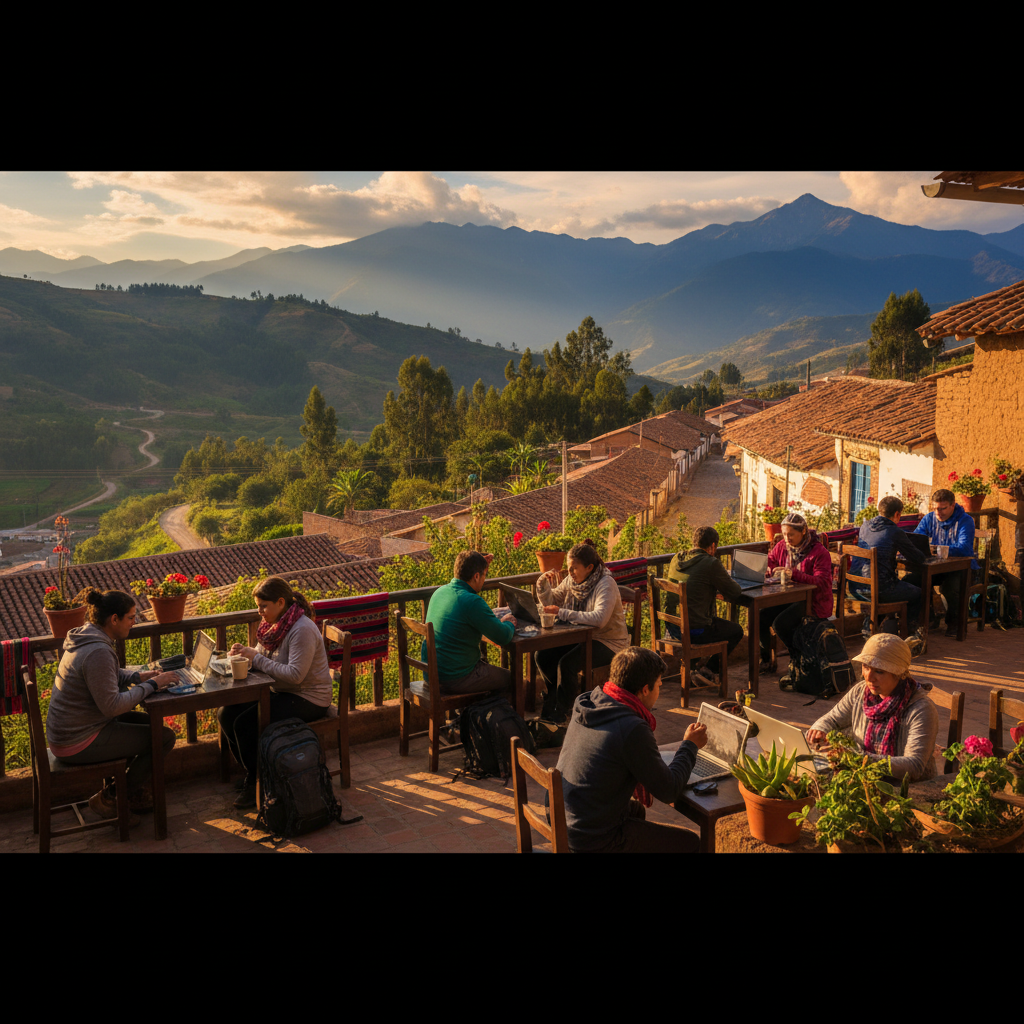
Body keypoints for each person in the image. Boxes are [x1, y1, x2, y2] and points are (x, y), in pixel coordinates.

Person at [555, 646, 706, 852]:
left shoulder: (589, 702)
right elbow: (669, 790)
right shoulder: (631, 727)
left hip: (563, 816)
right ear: (645, 689)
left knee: (635, 811)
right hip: (590, 838)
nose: (659, 691)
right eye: (659, 685)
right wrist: (689, 745)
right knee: (691, 843)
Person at [45, 589, 178, 819]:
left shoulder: (87, 638)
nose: (134, 623)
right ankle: (113, 796)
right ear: (114, 619)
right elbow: (113, 706)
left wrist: (138, 677)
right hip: (77, 741)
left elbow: (107, 675)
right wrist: (153, 684)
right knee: (163, 737)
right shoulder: (97, 651)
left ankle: (128, 793)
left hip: (74, 730)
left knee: (154, 726)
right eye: (131, 618)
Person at [225, 575, 334, 809]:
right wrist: (244, 652)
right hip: (284, 691)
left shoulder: (301, 629)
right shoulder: (273, 625)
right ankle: (254, 772)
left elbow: (295, 675)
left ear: (281, 602)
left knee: (245, 723)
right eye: (258, 606)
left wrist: (255, 658)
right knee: (227, 713)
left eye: (263, 606)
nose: (259, 612)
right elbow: (262, 654)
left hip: (309, 697)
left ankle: (258, 782)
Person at [806, 632, 938, 782]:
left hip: (906, 787)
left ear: (898, 673)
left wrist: (860, 759)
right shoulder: (860, 692)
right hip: (865, 777)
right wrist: (819, 729)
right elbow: (832, 719)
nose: (868, 677)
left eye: (879, 671)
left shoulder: (921, 709)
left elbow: (914, 766)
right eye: (865, 667)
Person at [536, 540, 629, 724]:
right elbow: (554, 600)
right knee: (543, 655)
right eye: (568, 567)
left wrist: (562, 612)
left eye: (574, 568)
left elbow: (599, 619)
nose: (569, 572)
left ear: (589, 568)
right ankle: (554, 701)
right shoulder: (572, 581)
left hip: (608, 642)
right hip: (582, 636)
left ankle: (564, 711)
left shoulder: (606, 583)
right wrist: (542, 585)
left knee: (567, 664)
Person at [423, 550, 515, 697]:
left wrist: (477, 562)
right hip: (455, 678)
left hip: (431, 675)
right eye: (484, 575)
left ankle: (479, 710)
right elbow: (503, 637)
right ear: (476, 576)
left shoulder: (439, 592)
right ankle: (495, 712)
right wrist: (509, 622)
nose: (484, 580)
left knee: (485, 667)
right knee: (512, 679)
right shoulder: (471, 601)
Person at [663, 526, 744, 682]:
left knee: (701, 619)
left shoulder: (677, 558)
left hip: (672, 627)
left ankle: (693, 669)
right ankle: (708, 669)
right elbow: (735, 591)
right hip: (694, 631)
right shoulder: (710, 563)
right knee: (736, 631)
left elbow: (694, 583)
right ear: (713, 546)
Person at [851, 494, 928, 648]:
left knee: (895, 585)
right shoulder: (894, 532)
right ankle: (911, 636)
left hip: (856, 587)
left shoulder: (865, 526)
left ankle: (869, 626)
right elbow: (917, 558)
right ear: (897, 514)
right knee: (919, 593)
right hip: (879, 590)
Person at [762, 511, 834, 672]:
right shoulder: (782, 546)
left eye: (791, 534)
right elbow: (771, 560)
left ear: (803, 531)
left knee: (781, 624)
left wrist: (793, 574)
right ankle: (766, 660)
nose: (787, 539)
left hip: (813, 601)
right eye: (784, 534)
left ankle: (799, 659)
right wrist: (769, 569)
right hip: (787, 598)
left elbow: (821, 582)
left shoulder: (819, 552)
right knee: (761, 616)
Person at [913, 488, 979, 637]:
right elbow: (917, 538)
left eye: (942, 508)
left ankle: (955, 623)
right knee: (913, 581)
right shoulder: (929, 518)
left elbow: (964, 548)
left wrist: (938, 549)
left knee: (951, 588)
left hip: (960, 568)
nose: (938, 512)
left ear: (952, 505)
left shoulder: (965, 520)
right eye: (935, 508)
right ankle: (927, 618)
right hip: (936, 568)